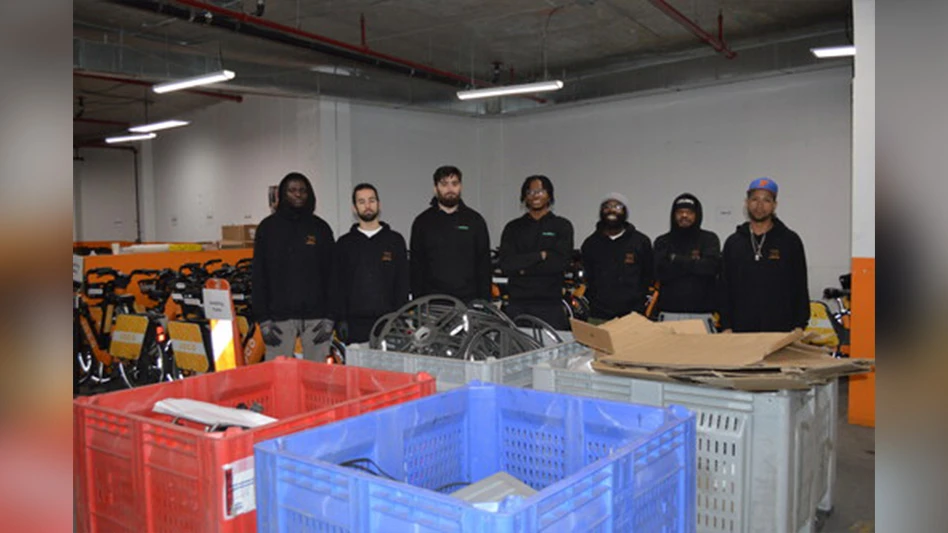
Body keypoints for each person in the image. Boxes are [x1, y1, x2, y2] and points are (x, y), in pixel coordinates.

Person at [252, 172, 335, 361]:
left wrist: (330, 317)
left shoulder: (321, 228)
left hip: (317, 320)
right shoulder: (268, 228)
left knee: (317, 376)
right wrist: (263, 319)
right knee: (279, 375)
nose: (298, 194)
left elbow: (332, 275)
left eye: (303, 190)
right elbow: (259, 275)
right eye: (292, 190)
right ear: (283, 193)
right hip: (278, 320)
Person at [720, 177, 810, 333]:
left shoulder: (790, 241)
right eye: (755, 199)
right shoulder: (733, 243)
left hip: (781, 328)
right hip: (740, 329)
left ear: (774, 205)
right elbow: (724, 287)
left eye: (766, 200)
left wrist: (800, 324)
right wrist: (726, 325)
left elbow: (800, 285)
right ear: (747, 202)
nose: (759, 205)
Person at [333, 184, 410, 344]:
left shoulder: (395, 241)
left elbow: (402, 283)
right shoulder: (344, 244)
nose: (367, 205)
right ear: (354, 208)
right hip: (354, 326)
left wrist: (400, 319)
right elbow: (338, 285)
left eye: (371, 200)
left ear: (378, 204)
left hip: (389, 324)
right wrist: (340, 319)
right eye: (361, 202)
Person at [498, 175, 574, 330]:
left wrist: (523, 268)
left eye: (540, 191)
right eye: (530, 192)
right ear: (525, 197)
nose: (535, 196)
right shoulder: (513, 227)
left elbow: (560, 263)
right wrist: (540, 256)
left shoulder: (562, 226)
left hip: (550, 305)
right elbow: (507, 264)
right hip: (517, 305)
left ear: (549, 195)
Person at [410, 165, 491, 302]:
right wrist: (418, 303)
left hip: (468, 302)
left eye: (454, 183)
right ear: (435, 188)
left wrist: (484, 302)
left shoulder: (475, 221)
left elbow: (484, 265)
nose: (450, 189)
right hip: (432, 303)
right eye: (444, 184)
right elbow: (416, 266)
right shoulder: (422, 222)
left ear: (461, 187)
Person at [653, 193, 721, 331]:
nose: (684, 216)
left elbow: (710, 268)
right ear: (673, 215)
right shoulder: (662, 241)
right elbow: (661, 272)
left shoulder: (709, 239)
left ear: (697, 215)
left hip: (702, 316)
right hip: (669, 315)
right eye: (680, 212)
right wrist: (694, 264)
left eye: (689, 212)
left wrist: (675, 259)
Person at [580, 192, 653, 321]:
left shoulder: (640, 241)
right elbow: (588, 277)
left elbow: (648, 275)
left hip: (632, 315)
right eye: (607, 207)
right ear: (601, 212)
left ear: (625, 212)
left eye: (617, 207)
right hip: (598, 314)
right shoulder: (591, 243)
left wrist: (640, 300)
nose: (612, 210)